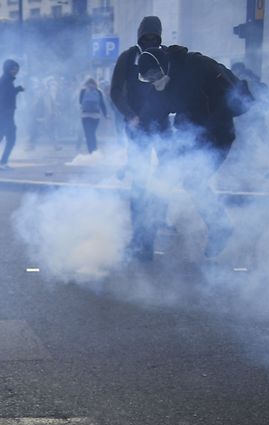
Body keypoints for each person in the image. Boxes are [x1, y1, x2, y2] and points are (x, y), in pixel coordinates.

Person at [135, 43, 248, 258]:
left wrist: (205, 128)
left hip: (218, 134)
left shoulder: (199, 67)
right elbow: (153, 121)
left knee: (193, 181)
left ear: (165, 65)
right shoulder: (157, 89)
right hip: (188, 137)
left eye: (156, 74)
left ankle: (221, 227)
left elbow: (229, 96)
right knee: (159, 181)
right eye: (148, 78)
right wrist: (159, 153)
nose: (154, 80)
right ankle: (143, 242)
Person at [110, 16, 172, 261]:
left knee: (164, 181)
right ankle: (140, 239)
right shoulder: (128, 57)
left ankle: (152, 229)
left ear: (159, 37)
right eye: (146, 37)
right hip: (138, 126)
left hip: (162, 126)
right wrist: (130, 115)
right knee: (140, 182)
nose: (149, 41)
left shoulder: (166, 55)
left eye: (153, 37)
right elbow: (115, 90)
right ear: (139, 36)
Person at [78, 78, 108, 153]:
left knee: (88, 134)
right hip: (96, 116)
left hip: (85, 115)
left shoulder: (83, 91)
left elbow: (80, 102)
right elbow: (102, 104)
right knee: (92, 133)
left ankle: (91, 151)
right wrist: (105, 114)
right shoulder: (99, 91)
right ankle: (94, 149)